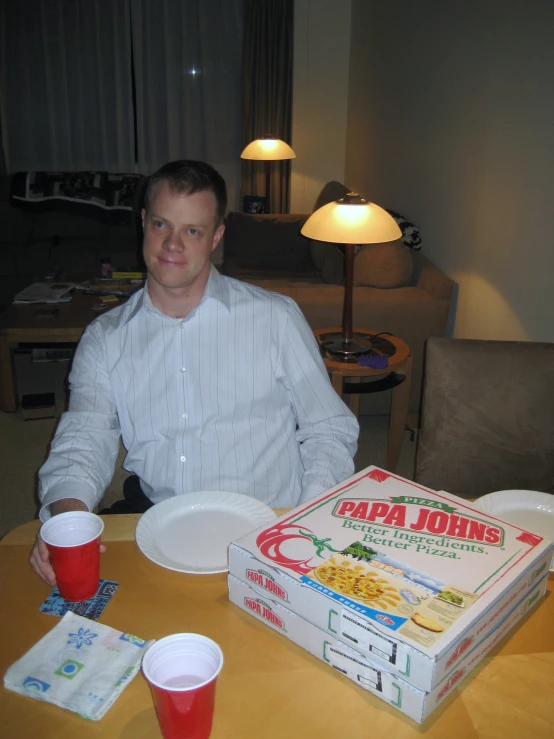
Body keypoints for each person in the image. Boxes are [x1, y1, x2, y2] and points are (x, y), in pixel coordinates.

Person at [30, 159, 359, 586]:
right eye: (162, 225)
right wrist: (66, 522)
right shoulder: (105, 338)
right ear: (144, 223)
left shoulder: (275, 318)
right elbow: (83, 439)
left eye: (192, 230)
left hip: (270, 528)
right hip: (161, 524)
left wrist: (304, 522)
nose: (172, 245)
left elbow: (328, 428)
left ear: (216, 237)